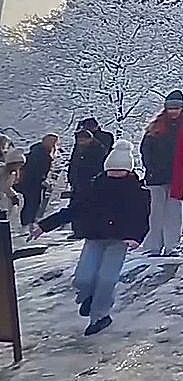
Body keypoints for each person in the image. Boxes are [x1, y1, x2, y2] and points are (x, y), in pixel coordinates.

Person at [29, 140, 149, 336]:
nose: (115, 176)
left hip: (120, 240)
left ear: (128, 171)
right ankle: (88, 298)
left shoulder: (137, 192)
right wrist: (44, 225)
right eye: (112, 172)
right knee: (83, 278)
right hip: (95, 237)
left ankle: (100, 317)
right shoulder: (95, 187)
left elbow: (142, 217)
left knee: (106, 279)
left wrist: (136, 237)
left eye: (120, 172)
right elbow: (74, 210)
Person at [140, 91, 183, 257]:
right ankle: (154, 245)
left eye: (176, 108)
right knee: (156, 212)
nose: (173, 111)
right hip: (157, 176)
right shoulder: (155, 129)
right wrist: (151, 168)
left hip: (178, 177)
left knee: (175, 212)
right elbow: (146, 150)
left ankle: (173, 244)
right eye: (170, 108)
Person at [16, 134, 58, 229]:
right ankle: (28, 223)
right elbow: (36, 169)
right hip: (31, 182)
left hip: (32, 182)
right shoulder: (40, 153)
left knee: (31, 203)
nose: (52, 143)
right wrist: (42, 179)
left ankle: (28, 222)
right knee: (32, 202)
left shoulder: (41, 151)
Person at [67, 129, 108, 199]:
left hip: (89, 182)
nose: (80, 143)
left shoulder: (98, 150)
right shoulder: (78, 148)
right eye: (79, 141)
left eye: (82, 141)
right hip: (77, 182)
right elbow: (74, 163)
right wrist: (71, 178)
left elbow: (98, 166)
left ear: (90, 139)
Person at [3, 147, 25, 227]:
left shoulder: (10, 172)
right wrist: (13, 196)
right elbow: (4, 187)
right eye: (19, 165)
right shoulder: (6, 173)